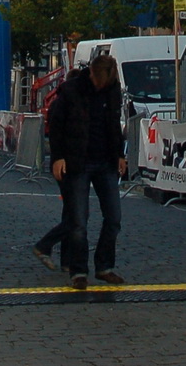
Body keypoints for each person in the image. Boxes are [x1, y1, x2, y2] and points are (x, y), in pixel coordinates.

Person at [33, 54, 127, 289]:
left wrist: (120, 155)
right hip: (78, 162)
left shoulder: (113, 90)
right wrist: (58, 157)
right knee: (78, 221)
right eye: (98, 80)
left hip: (105, 161)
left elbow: (115, 126)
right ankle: (78, 271)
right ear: (92, 73)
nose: (99, 85)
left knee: (114, 218)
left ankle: (104, 267)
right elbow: (56, 124)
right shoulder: (72, 90)